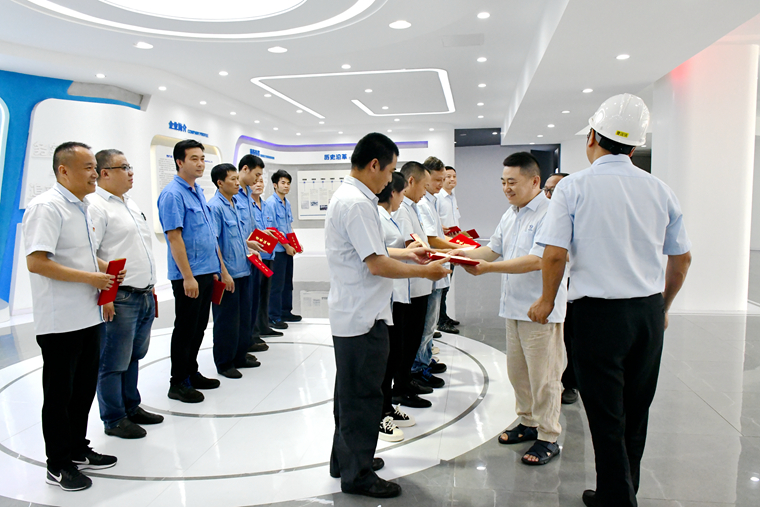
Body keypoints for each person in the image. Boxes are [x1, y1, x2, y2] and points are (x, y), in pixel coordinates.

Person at [528, 94, 692, 507]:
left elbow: (554, 254)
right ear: (634, 147)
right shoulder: (660, 190)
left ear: (592, 137)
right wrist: (664, 305)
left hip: (597, 316)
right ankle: (619, 491)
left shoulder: (573, 187)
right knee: (636, 411)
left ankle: (618, 500)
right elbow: (682, 258)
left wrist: (546, 300)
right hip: (647, 314)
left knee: (605, 415)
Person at [326, 133, 450, 499]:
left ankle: (346, 460)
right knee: (363, 397)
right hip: (363, 317)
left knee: (349, 395)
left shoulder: (350, 198)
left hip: (355, 313)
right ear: (374, 165)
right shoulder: (357, 204)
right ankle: (358, 474)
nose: (390, 180)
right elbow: (377, 264)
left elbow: (374, 251)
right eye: (389, 170)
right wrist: (425, 271)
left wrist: (409, 255)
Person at [461, 152, 567, 466]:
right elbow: (492, 250)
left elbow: (537, 260)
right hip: (513, 307)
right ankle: (528, 421)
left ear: (535, 181)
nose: (506, 188)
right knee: (518, 372)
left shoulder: (551, 213)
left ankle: (548, 435)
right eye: (503, 182)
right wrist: (456, 257)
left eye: (512, 182)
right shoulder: (511, 214)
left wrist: (488, 269)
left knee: (545, 377)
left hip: (539, 308)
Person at [23, 142, 118, 491]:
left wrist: (107, 270)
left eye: (95, 167)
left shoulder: (83, 207)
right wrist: (91, 278)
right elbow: (37, 262)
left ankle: (78, 448)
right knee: (60, 396)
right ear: (63, 170)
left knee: (82, 391)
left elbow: (83, 256)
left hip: (88, 315)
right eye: (88, 167)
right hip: (60, 321)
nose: (96, 173)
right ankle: (58, 464)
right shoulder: (46, 207)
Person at [88, 149, 163, 440]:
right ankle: (114, 418)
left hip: (142, 294)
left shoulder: (129, 203)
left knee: (133, 356)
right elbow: (89, 254)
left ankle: (132, 406)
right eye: (124, 167)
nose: (131, 172)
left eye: (130, 166)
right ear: (105, 173)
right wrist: (106, 294)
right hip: (120, 297)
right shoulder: (96, 207)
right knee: (113, 362)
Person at [158, 139, 232, 403]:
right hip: (188, 276)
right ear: (179, 162)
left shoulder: (197, 191)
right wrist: (188, 277)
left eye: (202, 158)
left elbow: (208, 234)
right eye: (194, 159)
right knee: (185, 329)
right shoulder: (173, 194)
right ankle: (178, 382)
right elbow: (174, 238)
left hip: (205, 271)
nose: (200, 164)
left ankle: (192, 372)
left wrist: (217, 268)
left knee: (199, 328)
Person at [377, 171, 420, 442]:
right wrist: (409, 253)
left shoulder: (390, 216)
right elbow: (380, 252)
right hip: (387, 295)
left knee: (395, 353)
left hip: (399, 293)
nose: (403, 198)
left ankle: (387, 407)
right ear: (392, 192)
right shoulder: (376, 216)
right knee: (386, 357)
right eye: (402, 193)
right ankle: (380, 413)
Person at [208, 163, 262, 379]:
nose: (237, 183)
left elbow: (236, 237)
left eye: (237, 179)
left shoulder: (234, 204)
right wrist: (223, 273)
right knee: (226, 321)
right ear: (220, 183)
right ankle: (224, 362)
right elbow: (215, 243)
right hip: (229, 274)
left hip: (244, 270)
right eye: (232, 179)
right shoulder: (215, 207)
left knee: (243, 318)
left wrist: (249, 245)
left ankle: (240, 355)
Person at [391, 161, 436, 407]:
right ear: (411, 182)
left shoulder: (413, 207)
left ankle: (406, 380)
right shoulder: (401, 209)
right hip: (409, 286)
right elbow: (411, 245)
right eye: (424, 186)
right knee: (406, 340)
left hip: (419, 282)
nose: (425, 192)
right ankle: (400, 385)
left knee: (413, 337)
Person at [412, 156, 460, 389]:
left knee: (429, 323)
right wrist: (457, 248)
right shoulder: (421, 204)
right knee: (426, 323)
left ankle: (425, 359)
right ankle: (418, 367)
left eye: (445, 179)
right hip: (428, 269)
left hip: (437, 265)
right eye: (438, 179)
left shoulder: (430, 201)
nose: (441, 184)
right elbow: (430, 239)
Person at [237, 155, 282, 349]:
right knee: (249, 300)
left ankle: (261, 328)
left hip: (266, 253)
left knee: (262, 295)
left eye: (261, 179)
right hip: (250, 257)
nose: (258, 181)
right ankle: (250, 336)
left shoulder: (262, 203)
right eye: (256, 176)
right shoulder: (237, 198)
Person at [543, 172, 578, 405]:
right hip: (552, 283)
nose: (548, 195)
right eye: (546, 190)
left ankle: (571, 383)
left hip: (574, 284)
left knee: (572, 338)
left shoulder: (576, 214)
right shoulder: (542, 213)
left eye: (553, 191)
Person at [266, 169, 301, 329]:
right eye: (283, 183)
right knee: (277, 285)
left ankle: (286, 311)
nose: (286, 186)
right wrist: (287, 246)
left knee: (287, 283)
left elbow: (288, 226)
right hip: (278, 251)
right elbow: (273, 230)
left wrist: (295, 244)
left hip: (287, 250)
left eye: (288, 183)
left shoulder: (287, 203)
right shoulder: (271, 203)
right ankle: (273, 316)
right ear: (275, 185)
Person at [436, 165, 462, 329]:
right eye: (448, 177)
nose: (452, 179)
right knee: (442, 285)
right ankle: (440, 320)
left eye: (454, 176)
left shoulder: (452, 197)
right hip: (442, 245)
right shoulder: (438, 197)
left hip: (453, 243)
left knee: (447, 283)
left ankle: (443, 316)